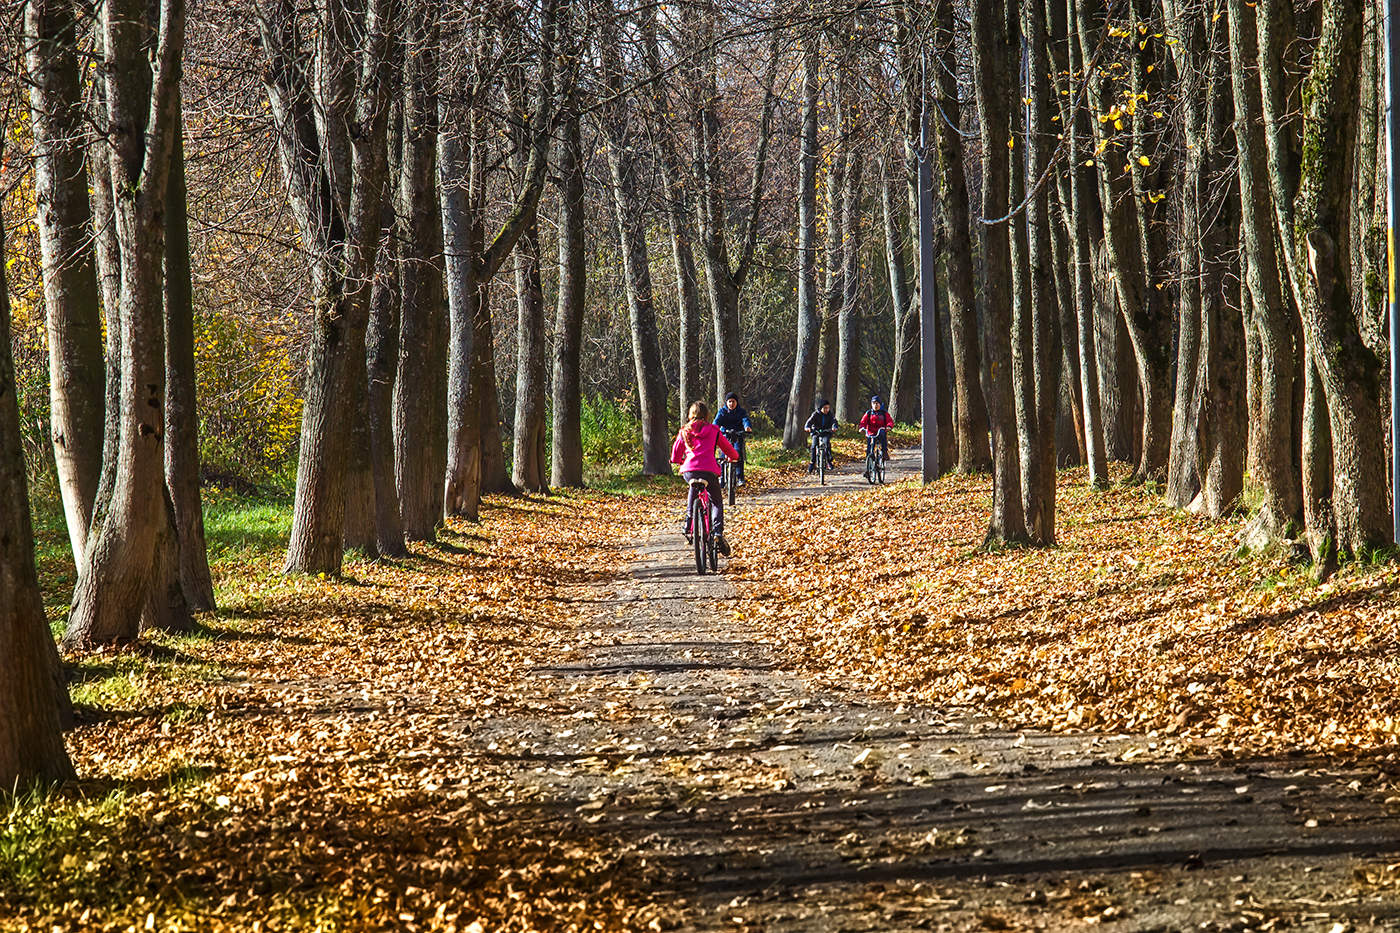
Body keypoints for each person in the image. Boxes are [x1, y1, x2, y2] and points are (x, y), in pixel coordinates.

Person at [671, 401, 739, 556]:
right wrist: (734, 457)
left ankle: (688, 523)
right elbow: (728, 449)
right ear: (707, 415)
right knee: (715, 501)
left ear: (690, 415)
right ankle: (717, 532)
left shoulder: (684, 431)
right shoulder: (714, 430)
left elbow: (675, 454)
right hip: (709, 471)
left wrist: (677, 461)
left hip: (690, 472)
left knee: (693, 487)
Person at [713, 392, 753, 485]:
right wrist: (714, 429)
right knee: (722, 456)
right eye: (729, 401)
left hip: (737, 435)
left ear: (737, 402)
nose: (731, 404)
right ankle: (722, 478)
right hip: (725, 435)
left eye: (733, 401)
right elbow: (716, 422)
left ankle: (740, 478)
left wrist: (747, 427)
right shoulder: (722, 411)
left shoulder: (741, 412)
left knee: (738, 453)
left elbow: (745, 420)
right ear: (726, 402)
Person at [859, 394, 895, 475]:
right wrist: (862, 428)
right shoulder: (868, 413)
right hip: (871, 433)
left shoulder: (884, 413)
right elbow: (863, 422)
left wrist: (889, 426)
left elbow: (890, 421)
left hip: (880, 432)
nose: (875, 405)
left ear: (880, 404)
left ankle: (884, 452)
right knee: (869, 450)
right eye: (874, 403)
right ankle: (869, 467)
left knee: (882, 435)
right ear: (871, 404)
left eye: (877, 403)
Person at [804, 398, 838, 474]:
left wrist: (834, 427)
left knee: (827, 444)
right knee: (813, 446)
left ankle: (829, 461)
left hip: (826, 432)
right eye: (825, 408)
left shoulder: (830, 415)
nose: (827, 410)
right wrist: (807, 427)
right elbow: (809, 422)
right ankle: (812, 463)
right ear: (821, 408)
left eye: (828, 408)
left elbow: (834, 421)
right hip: (816, 432)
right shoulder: (815, 414)